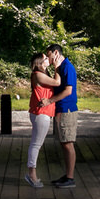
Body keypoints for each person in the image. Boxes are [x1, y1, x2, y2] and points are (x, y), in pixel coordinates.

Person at [40, 43, 77, 188]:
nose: (47, 58)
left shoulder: (67, 67)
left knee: (68, 144)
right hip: (60, 109)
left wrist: (49, 101)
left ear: (56, 53)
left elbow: (68, 91)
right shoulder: (59, 68)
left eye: (48, 55)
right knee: (64, 142)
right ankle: (67, 176)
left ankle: (70, 178)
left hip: (67, 109)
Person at [24, 52, 59, 188]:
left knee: (36, 143)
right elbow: (57, 82)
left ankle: (31, 173)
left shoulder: (42, 74)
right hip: (41, 113)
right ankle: (31, 174)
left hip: (42, 112)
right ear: (39, 62)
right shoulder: (38, 75)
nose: (47, 60)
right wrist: (57, 67)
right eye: (45, 58)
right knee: (36, 144)